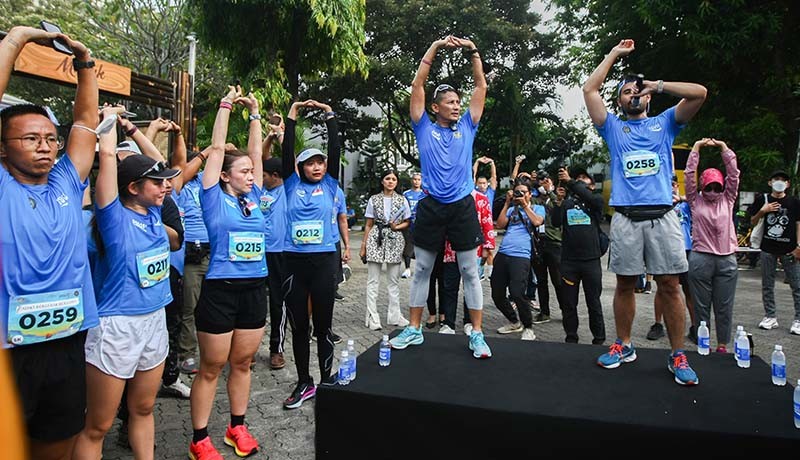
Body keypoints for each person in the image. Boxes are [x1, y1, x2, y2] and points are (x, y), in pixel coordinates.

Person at [584, 38, 707, 385]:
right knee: (624, 284)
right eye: (626, 92)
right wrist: (613, 55)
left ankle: (678, 353)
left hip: (663, 217)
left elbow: (699, 93)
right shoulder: (612, 128)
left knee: (670, 285)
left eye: (638, 91)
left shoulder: (666, 122)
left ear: (648, 97)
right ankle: (623, 345)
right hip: (625, 218)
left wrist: (659, 84)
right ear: (620, 101)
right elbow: (589, 89)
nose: (633, 95)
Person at [1, 26, 99, 460]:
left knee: (56, 443)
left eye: (49, 139)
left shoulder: (65, 178)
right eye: (30, 139)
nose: (44, 147)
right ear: (3, 149)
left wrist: (85, 63)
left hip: (65, 341)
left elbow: (84, 122)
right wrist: (17, 40)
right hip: (10, 350)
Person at [74, 107, 181, 459]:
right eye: (156, 182)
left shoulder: (152, 211)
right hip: (117, 327)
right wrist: (106, 121)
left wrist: (134, 130)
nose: (166, 186)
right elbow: (106, 158)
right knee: (98, 425)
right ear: (132, 187)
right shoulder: (113, 218)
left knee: (144, 409)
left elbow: (159, 161)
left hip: (154, 322)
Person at [389, 35, 492, 359]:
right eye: (449, 102)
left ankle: (476, 333)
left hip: (462, 205)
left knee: (468, 271)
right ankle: (415, 329)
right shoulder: (422, 126)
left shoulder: (468, 125)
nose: (456, 105)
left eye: (457, 102)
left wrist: (474, 50)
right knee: (421, 269)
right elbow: (417, 85)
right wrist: (433, 46)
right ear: (435, 107)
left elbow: (481, 87)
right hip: (432, 204)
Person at [188, 86, 268, 459]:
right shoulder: (213, 198)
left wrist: (255, 113)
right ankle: (200, 438)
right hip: (220, 290)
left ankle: (237, 427)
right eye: (244, 172)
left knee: (242, 363)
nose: (251, 174)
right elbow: (218, 151)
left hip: (254, 291)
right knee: (211, 367)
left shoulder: (254, 198)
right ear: (224, 177)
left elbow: (254, 154)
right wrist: (225, 106)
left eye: (253, 172)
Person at [281, 99, 349, 409]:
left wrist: (329, 115)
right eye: (311, 162)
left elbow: (336, 150)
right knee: (300, 327)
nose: (318, 166)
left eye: (321, 162)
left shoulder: (333, 185)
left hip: (324, 262)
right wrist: (292, 116)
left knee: (323, 325)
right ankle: (304, 382)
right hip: (294, 263)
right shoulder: (291, 184)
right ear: (300, 167)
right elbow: (286, 153)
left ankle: (326, 378)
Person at [685, 138, 741, 352]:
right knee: (700, 307)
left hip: (727, 260)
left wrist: (724, 148)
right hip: (701, 259)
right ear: (702, 185)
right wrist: (696, 147)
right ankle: (703, 342)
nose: (713, 190)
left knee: (724, 307)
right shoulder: (695, 200)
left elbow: (734, 175)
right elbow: (689, 175)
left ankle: (722, 344)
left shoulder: (728, 199)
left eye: (718, 186)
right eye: (709, 186)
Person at [552, 166, 606, 344]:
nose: (581, 180)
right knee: (569, 303)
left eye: (584, 178)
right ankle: (571, 336)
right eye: (578, 178)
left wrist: (571, 182)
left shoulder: (596, 200)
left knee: (594, 303)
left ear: (592, 184)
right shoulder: (567, 203)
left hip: (591, 261)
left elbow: (588, 197)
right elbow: (555, 221)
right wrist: (559, 201)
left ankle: (598, 338)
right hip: (569, 262)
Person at [748, 170, 800, 335]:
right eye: (776, 179)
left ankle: (798, 319)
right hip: (768, 249)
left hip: (789, 249)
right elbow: (752, 221)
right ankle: (770, 316)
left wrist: (799, 246)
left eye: (783, 180)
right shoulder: (761, 200)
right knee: (767, 285)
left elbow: (799, 224)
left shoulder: (794, 202)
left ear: (788, 184)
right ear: (770, 182)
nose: (780, 182)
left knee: (797, 285)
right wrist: (763, 210)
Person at [491, 181, 544, 340]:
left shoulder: (537, 207)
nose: (520, 194)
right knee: (497, 293)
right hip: (503, 253)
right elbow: (499, 225)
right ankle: (514, 321)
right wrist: (507, 204)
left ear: (530, 194)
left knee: (517, 292)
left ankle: (528, 327)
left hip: (521, 255)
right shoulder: (511, 209)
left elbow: (537, 222)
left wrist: (525, 206)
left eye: (523, 192)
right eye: (517, 192)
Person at [360, 169, 412, 330]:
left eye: (393, 179)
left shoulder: (402, 200)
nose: (390, 181)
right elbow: (368, 224)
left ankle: (395, 315)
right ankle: (372, 316)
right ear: (382, 181)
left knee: (393, 280)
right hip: (376, 237)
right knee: (373, 280)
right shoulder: (374, 199)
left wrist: (397, 227)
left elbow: (407, 222)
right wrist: (364, 245)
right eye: (387, 178)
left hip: (395, 239)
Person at [261, 112, 290, 370]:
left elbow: (289, 161)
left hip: (283, 254)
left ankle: (276, 349)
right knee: (256, 302)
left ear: (276, 175)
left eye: (265, 175)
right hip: (259, 254)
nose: (259, 177)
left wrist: (281, 136)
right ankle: (245, 350)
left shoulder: (287, 190)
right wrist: (269, 137)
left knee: (278, 302)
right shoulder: (262, 190)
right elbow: (259, 158)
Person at [473, 155, 497, 280]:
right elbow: (472, 175)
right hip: (476, 223)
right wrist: (477, 162)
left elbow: (494, 177)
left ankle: (491, 272)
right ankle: (480, 272)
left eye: (484, 183)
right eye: (479, 183)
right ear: (476, 184)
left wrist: (492, 162)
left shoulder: (490, 192)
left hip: (488, 224)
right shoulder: (474, 193)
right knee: (477, 250)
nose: (482, 185)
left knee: (489, 250)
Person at [401, 172, 426, 279]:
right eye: (415, 179)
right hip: (408, 224)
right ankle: (407, 268)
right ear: (411, 180)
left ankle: (421, 268)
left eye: (419, 180)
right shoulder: (406, 194)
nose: (416, 182)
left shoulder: (424, 194)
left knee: (422, 247)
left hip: (421, 225)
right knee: (408, 246)